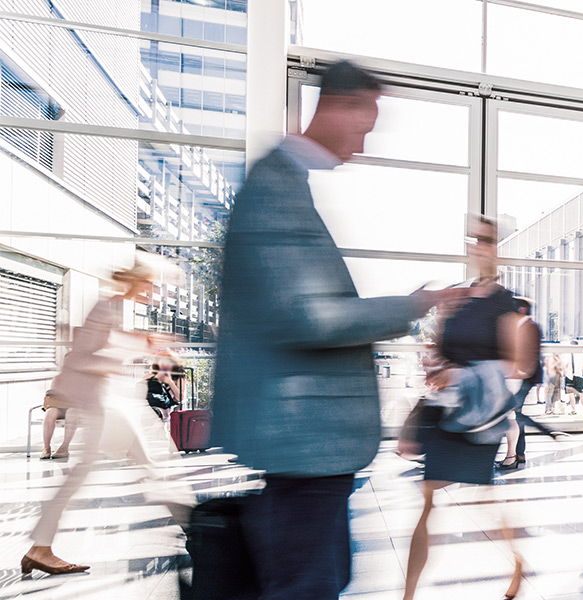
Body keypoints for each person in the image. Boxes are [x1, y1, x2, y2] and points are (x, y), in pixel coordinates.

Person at [209, 61, 462, 598]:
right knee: (308, 584)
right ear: (338, 105)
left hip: (307, 446)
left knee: (318, 578)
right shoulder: (275, 185)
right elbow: (309, 317)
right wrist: (415, 304)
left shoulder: (284, 183)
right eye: (364, 126)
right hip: (302, 442)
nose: (363, 145)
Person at [21, 258, 191, 577]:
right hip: (103, 402)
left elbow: (104, 348)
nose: (154, 291)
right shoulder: (107, 307)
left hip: (114, 401)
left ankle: (40, 547)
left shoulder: (114, 307)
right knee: (154, 463)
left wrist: (144, 343)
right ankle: (198, 530)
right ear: (138, 283)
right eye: (151, 284)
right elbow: (84, 357)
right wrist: (143, 343)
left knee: (154, 462)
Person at [400, 214, 531, 600]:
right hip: (448, 413)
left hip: (480, 417)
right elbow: (439, 351)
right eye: (474, 240)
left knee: (484, 498)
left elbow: (517, 363)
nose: (479, 247)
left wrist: (463, 375)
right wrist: (435, 364)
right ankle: (407, 594)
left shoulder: (505, 303)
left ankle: (516, 558)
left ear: (498, 250)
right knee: (428, 498)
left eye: (487, 240)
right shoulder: (457, 297)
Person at [500, 297, 565, 470]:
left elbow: (531, 353)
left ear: (521, 309)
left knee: (513, 415)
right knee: (516, 415)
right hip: (519, 377)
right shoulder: (520, 325)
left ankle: (516, 453)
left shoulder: (531, 326)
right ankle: (519, 453)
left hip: (523, 378)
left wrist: (520, 372)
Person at [39, 390, 73, 460]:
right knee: (50, 413)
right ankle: (46, 448)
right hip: (58, 405)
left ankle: (64, 447)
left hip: (75, 407)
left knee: (72, 413)